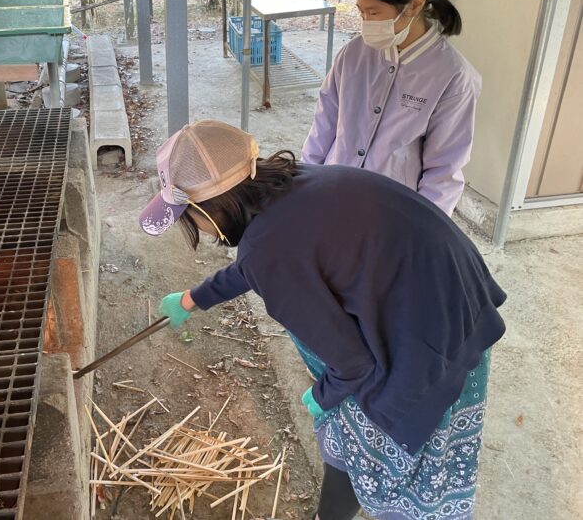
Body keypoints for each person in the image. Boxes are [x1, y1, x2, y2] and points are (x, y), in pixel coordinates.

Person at [139, 120, 506, 520]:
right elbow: (263, 259)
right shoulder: (291, 184)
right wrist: (194, 299)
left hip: (423, 343)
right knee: (353, 432)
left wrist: (321, 397)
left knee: (370, 448)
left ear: (203, 209)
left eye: (187, 218)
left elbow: (353, 365)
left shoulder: (268, 250)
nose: (195, 228)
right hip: (458, 303)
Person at [303, 0, 480, 217]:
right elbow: (323, 125)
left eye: (373, 13)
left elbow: (443, 171)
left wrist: (417, 230)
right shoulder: (353, 54)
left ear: (414, 4)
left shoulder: (453, 77)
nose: (365, 22)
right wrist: (306, 182)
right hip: (331, 194)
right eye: (361, 11)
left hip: (391, 215)